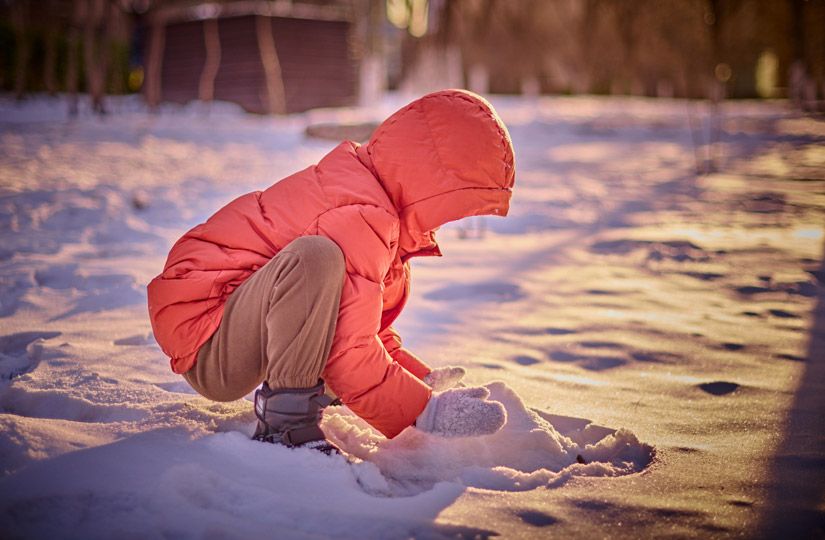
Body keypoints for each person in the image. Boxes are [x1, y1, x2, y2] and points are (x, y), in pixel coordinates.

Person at [147, 89, 516, 454]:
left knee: (323, 271)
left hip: (233, 320)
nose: (445, 225)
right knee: (316, 258)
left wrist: (419, 380)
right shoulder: (363, 214)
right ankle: (285, 422)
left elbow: (352, 320)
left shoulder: (373, 203)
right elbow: (347, 350)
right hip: (208, 334)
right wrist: (427, 411)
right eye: (455, 209)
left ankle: (309, 395)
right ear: (433, 188)